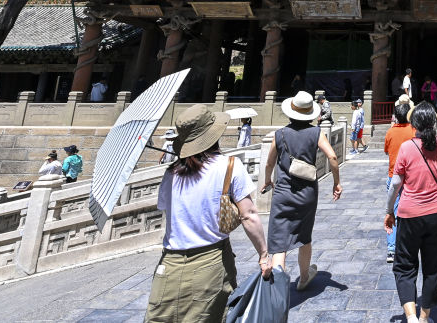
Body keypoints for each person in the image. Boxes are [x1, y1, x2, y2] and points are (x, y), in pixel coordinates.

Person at [146, 105, 271, 322]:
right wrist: (263, 254)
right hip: (210, 262)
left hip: (169, 266)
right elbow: (248, 215)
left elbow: (170, 212)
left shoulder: (170, 173)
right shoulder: (229, 165)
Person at [264, 91, 342, 291]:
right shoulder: (316, 133)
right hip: (307, 193)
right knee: (304, 236)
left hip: (282, 192)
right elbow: (333, 157)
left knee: (279, 243)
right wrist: (336, 183)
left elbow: (270, 163)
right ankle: (304, 278)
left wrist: (267, 180)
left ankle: (279, 288)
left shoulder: (280, 134)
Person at [384, 104, 437, 323]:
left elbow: (395, 184)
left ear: (414, 125)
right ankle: (424, 317)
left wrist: (389, 210)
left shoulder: (407, 147)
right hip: (436, 213)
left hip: (409, 214)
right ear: (434, 122)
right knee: (433, 266)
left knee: (404, 265)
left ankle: (411, 317)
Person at [383, 102, 416, 263]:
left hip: (393, 175)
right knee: (411, 210)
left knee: (392, 212)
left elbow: (386, 150)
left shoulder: (390, 132)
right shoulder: (414, 131)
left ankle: (391, 249)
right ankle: (409, 245)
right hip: (410, 176)